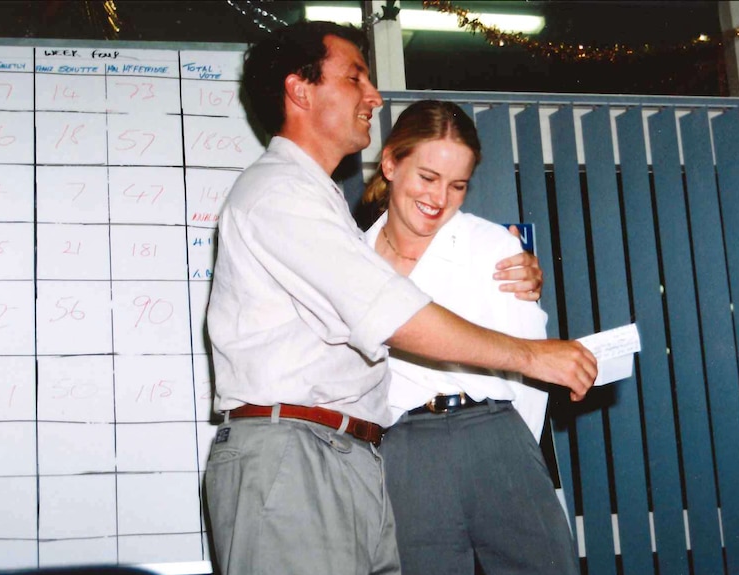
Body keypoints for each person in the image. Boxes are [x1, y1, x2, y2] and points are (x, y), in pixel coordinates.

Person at [204, 21, 597, 575]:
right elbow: (391, 315)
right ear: (301, 90)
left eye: (456, 185)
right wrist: (536, 355)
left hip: (344, 454)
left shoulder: (322, 203)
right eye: (355, 76)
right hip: (299, 455)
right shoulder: (282, 193)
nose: (374, 95)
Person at [361, 99, 579, 575]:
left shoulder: (494, 248)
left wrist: (510, 444)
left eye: (457, 185)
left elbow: (531, 368)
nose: (439, 199)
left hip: (494, 434)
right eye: (427, 177)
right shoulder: (353, 259)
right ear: (392, 162)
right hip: (403, 450)